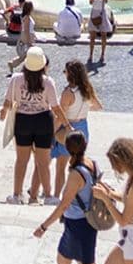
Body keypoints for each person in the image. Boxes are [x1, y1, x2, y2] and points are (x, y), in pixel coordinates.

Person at [32, 130, 108, 264]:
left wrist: (44, 226)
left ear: (68, 148)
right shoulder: (92, 164)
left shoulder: (76, 174)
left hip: (79, 227)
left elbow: (64, 204)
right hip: (78, 226)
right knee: (63, 262)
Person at [1, 46, 59, 205]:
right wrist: (66, 124)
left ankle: (16, 194)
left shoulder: (16, 79)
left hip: (23, 121)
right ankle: (48, 195)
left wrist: (3, 113)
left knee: (21, 160)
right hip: (43, 121)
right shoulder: (48, 82)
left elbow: (7, 101)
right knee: (43, 161)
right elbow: (55, 106)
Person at [50, 59, 101, 196]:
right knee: (76, 162)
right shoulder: (87, 89)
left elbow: (61, 116)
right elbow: (98, 106)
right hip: (83, 127)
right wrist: (83, 107)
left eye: (65, 71)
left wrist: (50, 132)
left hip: (69, 127)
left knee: (61, 165)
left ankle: (56, 195)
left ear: (70, 74)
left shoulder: (68, 93)